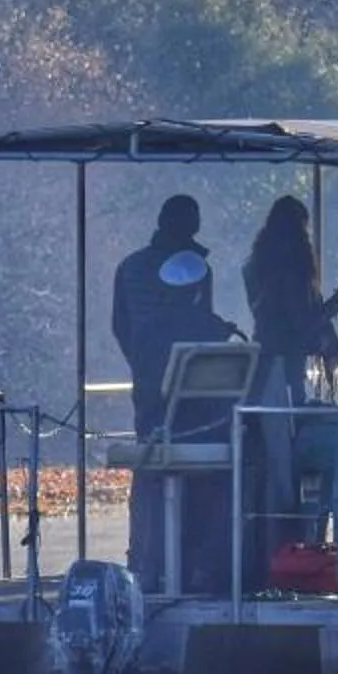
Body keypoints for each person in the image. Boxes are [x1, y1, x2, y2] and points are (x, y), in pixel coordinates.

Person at [108, 194, 240, 589]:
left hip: (150, 388)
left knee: (150, 472)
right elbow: (202, 328)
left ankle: (146, 562)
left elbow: (120, 326)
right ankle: (202, 564)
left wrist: (145, 364)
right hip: (196, 404)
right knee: (206, 475)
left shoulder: (129, 267)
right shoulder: (197, 268)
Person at [242, 194, 338, 579]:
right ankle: (294, 545)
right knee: (288, 461)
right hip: (287, 370)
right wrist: (332, 307)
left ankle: (269, 546)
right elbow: (299, 328)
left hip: (261, 366)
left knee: (271, 462)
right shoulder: (291, 271)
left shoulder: (255, 267)